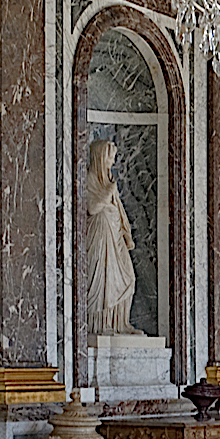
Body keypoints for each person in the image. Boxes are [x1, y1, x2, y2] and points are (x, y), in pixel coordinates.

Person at [84, 139, 139, 335]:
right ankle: (101, 325)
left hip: (115, 236)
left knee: (129, 277)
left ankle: (121, 323)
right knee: (104, 282)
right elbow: (92, 207)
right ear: (100, 157)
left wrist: (126, 232)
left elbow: (119, 208)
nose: (113, 162)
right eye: (110, 157)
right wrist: (109, 190)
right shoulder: (89, 179)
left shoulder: (109, 180)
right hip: (100, 236)